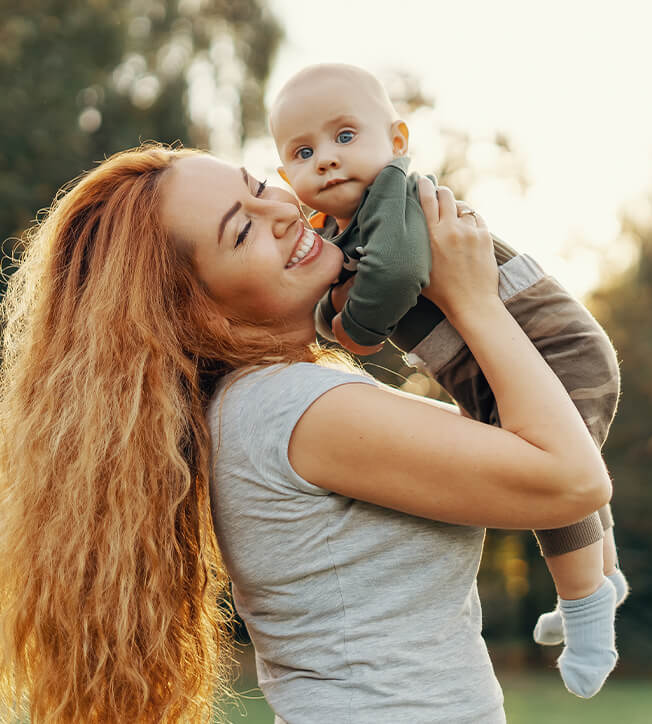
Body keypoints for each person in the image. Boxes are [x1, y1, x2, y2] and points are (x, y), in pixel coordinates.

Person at [0, 144, 610, 724]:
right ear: (199, 311)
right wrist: (474, 301)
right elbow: (571, 479)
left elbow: (516, 435)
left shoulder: (269, 402)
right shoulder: (296, 410)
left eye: (261, 186)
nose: (284, 209)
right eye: (242, 230)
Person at [269, 63, 630, 699]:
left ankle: (586, 610)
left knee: (548, 481)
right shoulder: (340, 229)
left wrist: (353, 328)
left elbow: (400, 272)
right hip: (497, 368)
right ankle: (602, 576)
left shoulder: (392, 197)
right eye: (304, 151)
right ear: (285, 176)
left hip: (554, 351)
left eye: (344, 136)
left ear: (398, 141)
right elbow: (339, 285)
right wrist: (328, 314)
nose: (326, 159)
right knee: (568, 466)